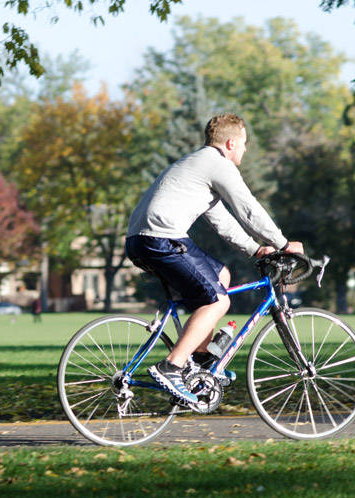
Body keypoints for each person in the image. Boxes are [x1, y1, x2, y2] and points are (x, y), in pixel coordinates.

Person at [125, 113, 303, 410]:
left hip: (145, 239)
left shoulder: (198, 165)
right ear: (231, 142)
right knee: (219, 302)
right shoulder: (218, 164)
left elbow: (222, 221)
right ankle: (172, 366)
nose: (245, 150)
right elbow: (249, 210)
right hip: (161, 238)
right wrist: (284, 244)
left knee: (221, 276)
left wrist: (255, 249)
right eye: (244, 144)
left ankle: (200, 359)